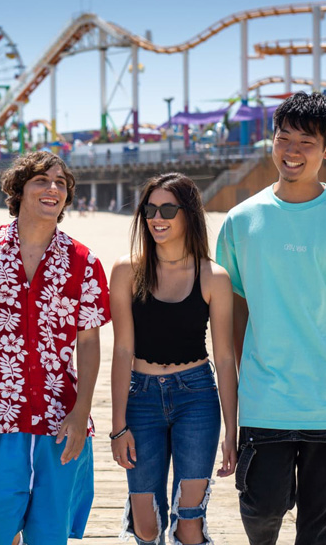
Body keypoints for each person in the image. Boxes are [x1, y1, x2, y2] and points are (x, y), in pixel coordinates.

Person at [216, 92, 326, 545]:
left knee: (321, 531)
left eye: (306, 141)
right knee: (259, 512)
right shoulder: (240, 220)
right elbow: (235, 311)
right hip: (264, 399)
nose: (291, 150)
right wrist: (240, 384)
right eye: (283, 138)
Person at [0, 151, 111, 545]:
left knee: (49, 535)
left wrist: (82, 412)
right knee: (0, 529)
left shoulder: (84, 262)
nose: (53, 188)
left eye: (61, 183)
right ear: (19, 190)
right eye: (42, 180)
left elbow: (90, 343)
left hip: (61, 415)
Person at [110, 173, 238, 545]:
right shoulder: (126, 270)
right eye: (150, 209)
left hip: (196, 396)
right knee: (147, 527)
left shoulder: (214, 277)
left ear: (189, 214)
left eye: (168, 208)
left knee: (189, 524)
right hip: (140, 397)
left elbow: (226, 359)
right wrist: (118, 425)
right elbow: (121, 350)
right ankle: (137, 516)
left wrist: (232, 430)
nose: (156, 217)